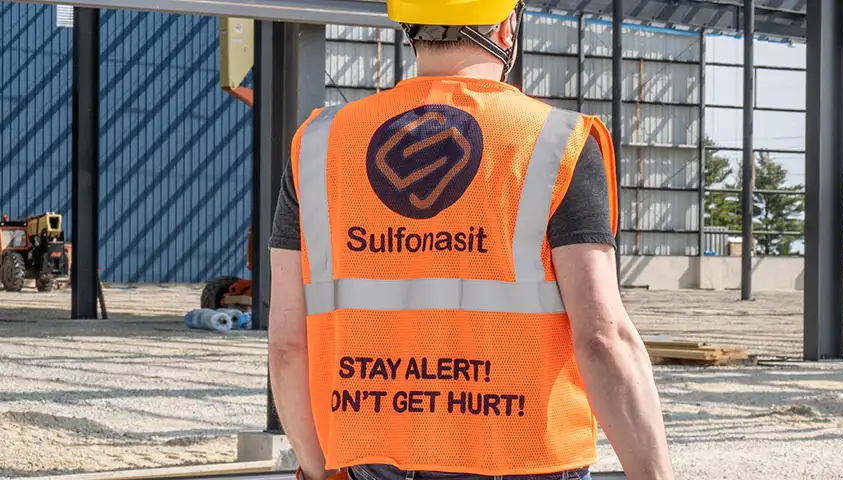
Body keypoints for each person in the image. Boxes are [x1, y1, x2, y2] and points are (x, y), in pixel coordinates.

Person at [266, 1, 672, 479]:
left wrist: (320, 472)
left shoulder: (319, 144)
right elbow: (602, 338)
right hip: (523, 460)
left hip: (375, 462)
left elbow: (288, 344)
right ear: (507, 25)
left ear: (407, 23)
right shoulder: (555, 142)